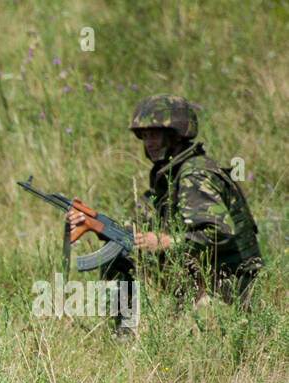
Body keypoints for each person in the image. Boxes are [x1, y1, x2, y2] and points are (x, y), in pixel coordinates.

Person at [67, 94, 262, 324]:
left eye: (155, 134)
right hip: (200, 276)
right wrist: (94, 223)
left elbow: (220, 233)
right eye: (144, 136)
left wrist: (167, 242)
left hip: (230, 283)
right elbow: (146, 230)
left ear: (175, 135)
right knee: (121, 254)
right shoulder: (169, 172)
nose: (148, 142)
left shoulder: (194, 174)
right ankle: (124, 332)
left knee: (196, 333)